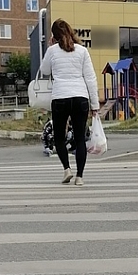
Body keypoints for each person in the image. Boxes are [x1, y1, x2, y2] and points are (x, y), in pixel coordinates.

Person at [39, 19, 99, 186]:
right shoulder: (82, 51)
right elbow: (90, 78)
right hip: (80, 97)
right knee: (80, 138)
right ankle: (79, 177)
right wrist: (95, 105)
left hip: (60, 97)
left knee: (59, 137)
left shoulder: (52, 51)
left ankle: (67, 169)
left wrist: (50, 46)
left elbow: (44, 70)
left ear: (54, 36)